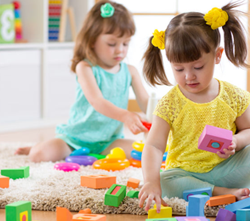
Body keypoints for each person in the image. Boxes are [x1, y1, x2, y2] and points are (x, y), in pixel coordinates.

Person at [138, 3, 250, 220]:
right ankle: (222, 194)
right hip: (186, 175)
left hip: (228, 171)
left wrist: (236, 142)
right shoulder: (170, 102)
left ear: (217, 55)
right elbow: (153, 145)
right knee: (162, 180)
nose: (189, 76)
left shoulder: (233, 96)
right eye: (179, 69)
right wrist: (152, 183)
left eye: (197, 67)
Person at [15, 1, 149, 162]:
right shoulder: (85, 67)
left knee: (146, 152)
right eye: (112, 44)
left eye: (126, 43)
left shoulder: (130, 71)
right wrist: (126, 115)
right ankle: (38, 146)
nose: (120, 49)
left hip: (110, 142)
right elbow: (98, 102)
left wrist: (166, 115)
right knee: (38, 155)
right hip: (75, 140)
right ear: (92, 40)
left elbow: (146, 102)